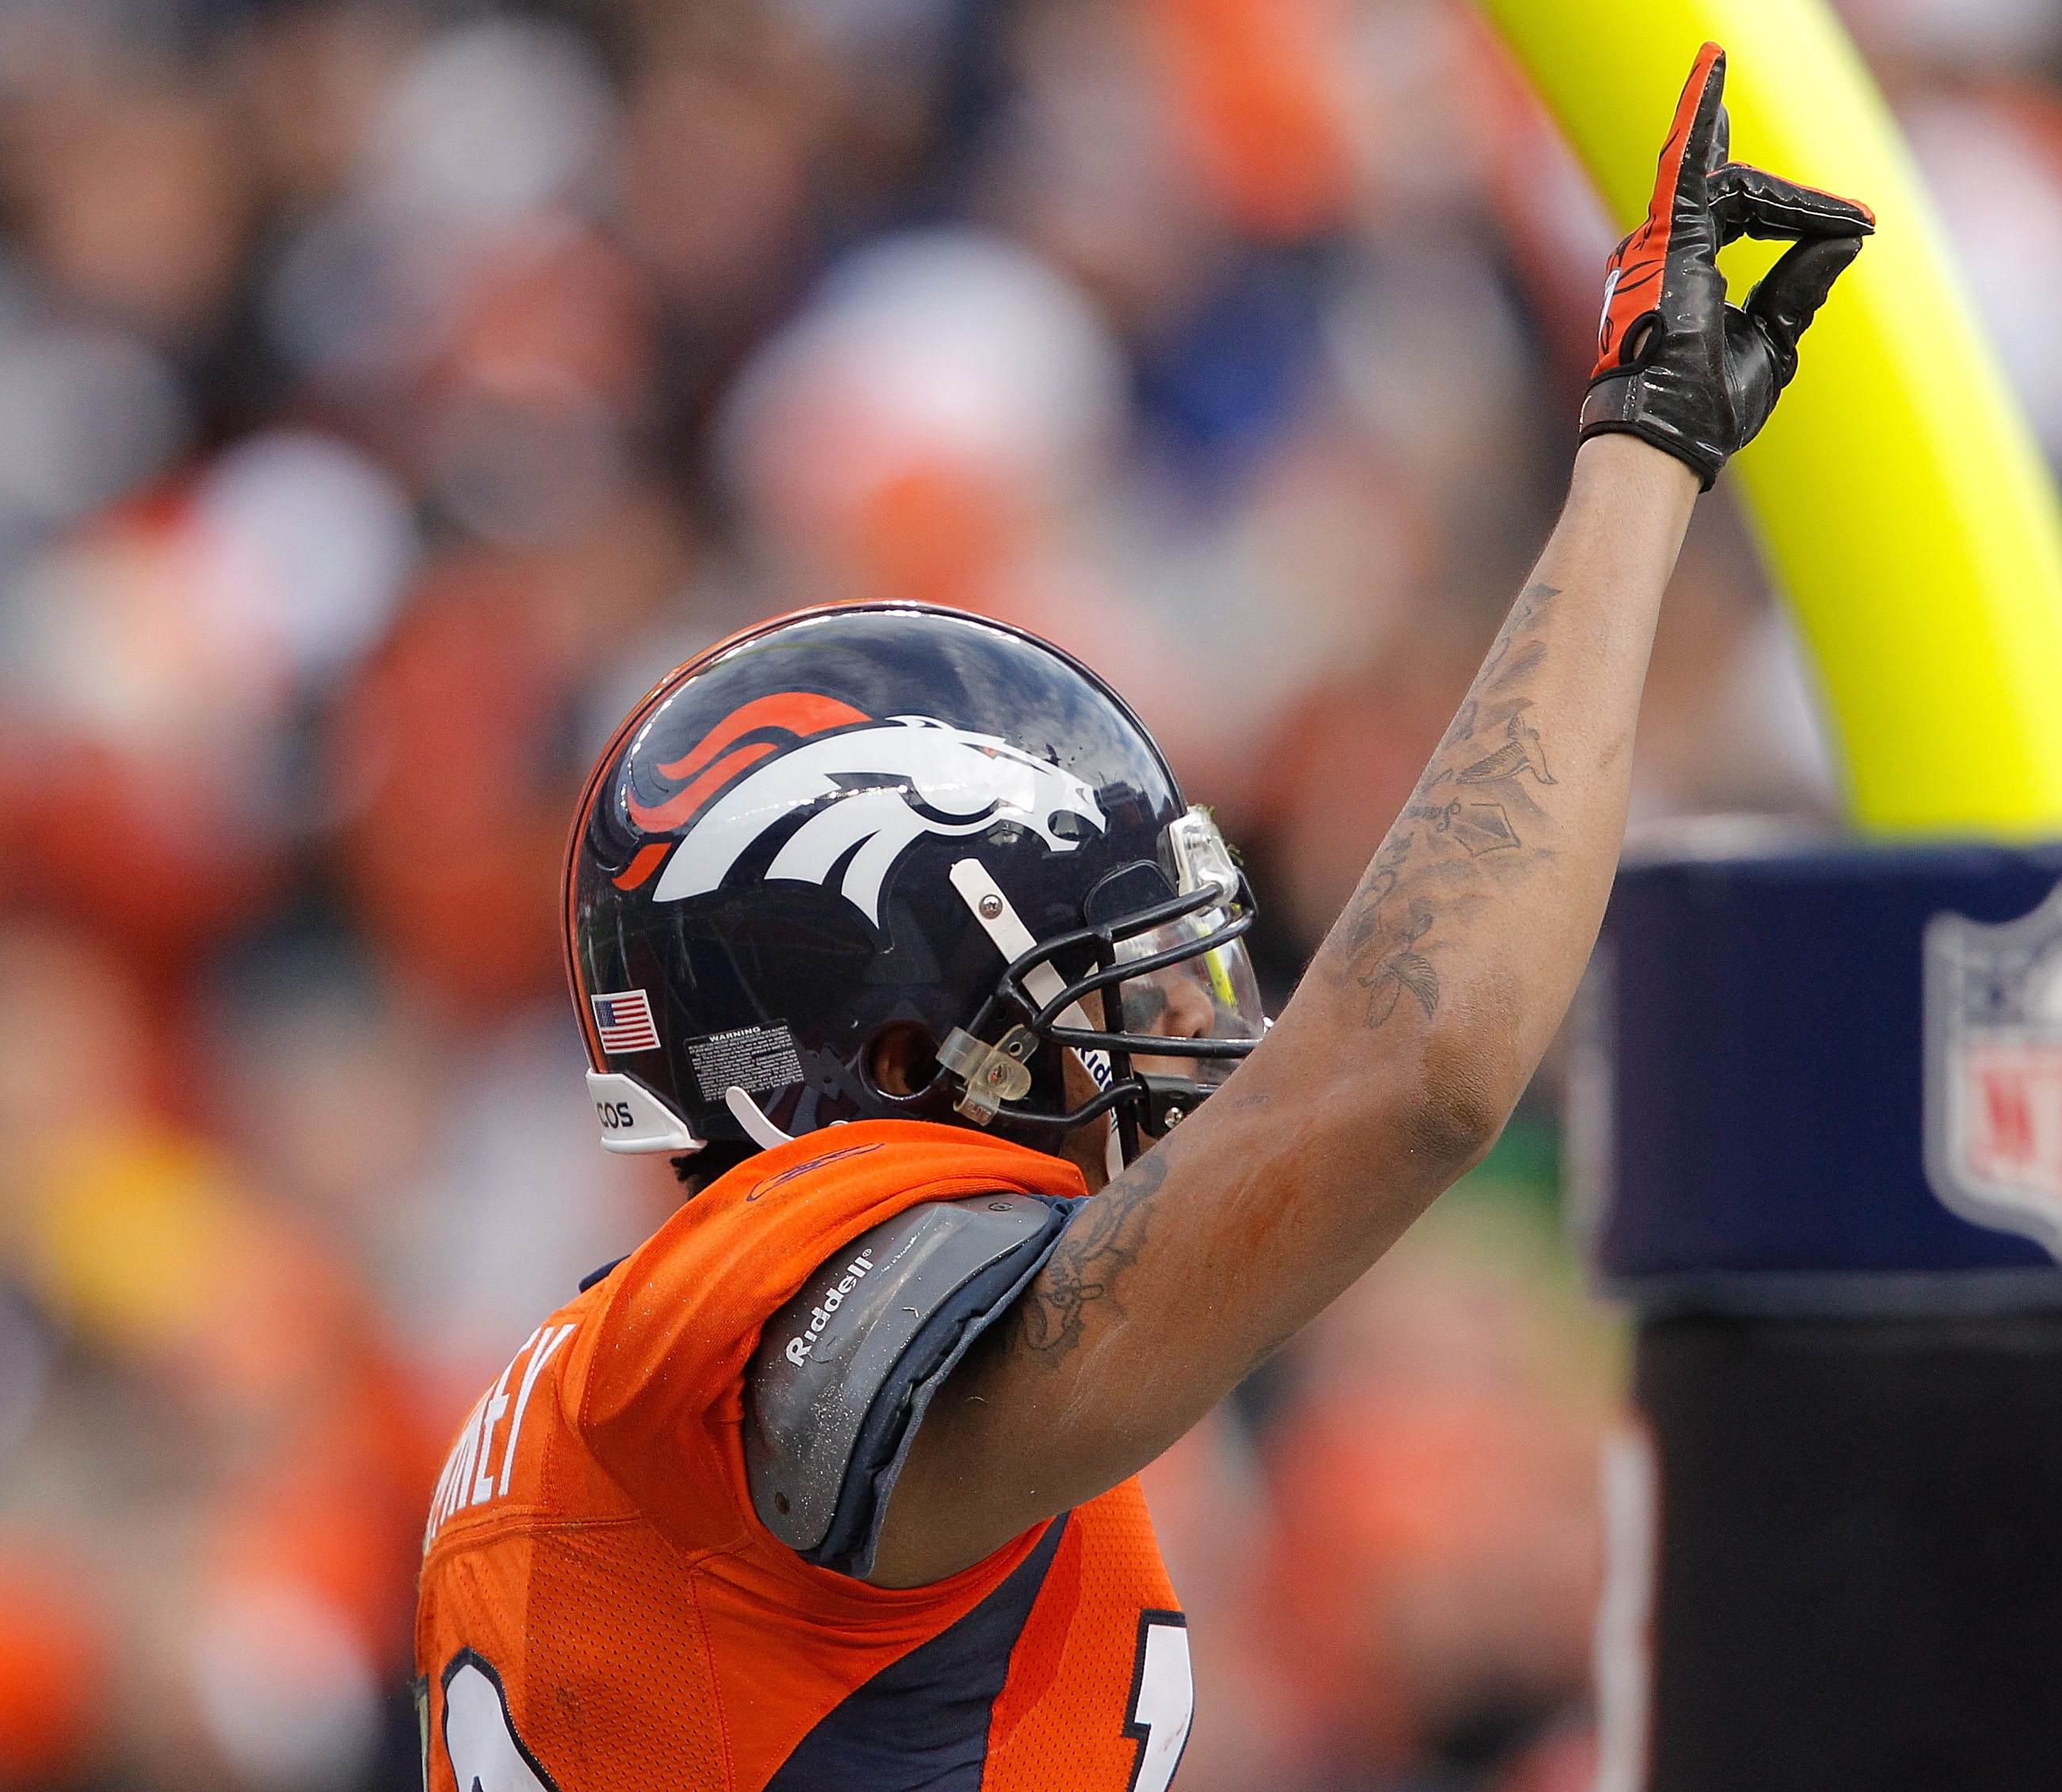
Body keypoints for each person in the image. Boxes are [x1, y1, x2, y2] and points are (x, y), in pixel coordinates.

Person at [414, 43, 1870, 1791]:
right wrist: (1646, 446)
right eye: (1111, 993)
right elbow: (1416, 1073)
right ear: (885, 1057)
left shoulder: (661, 1398)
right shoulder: (753, 1339)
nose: (1194, 1046)